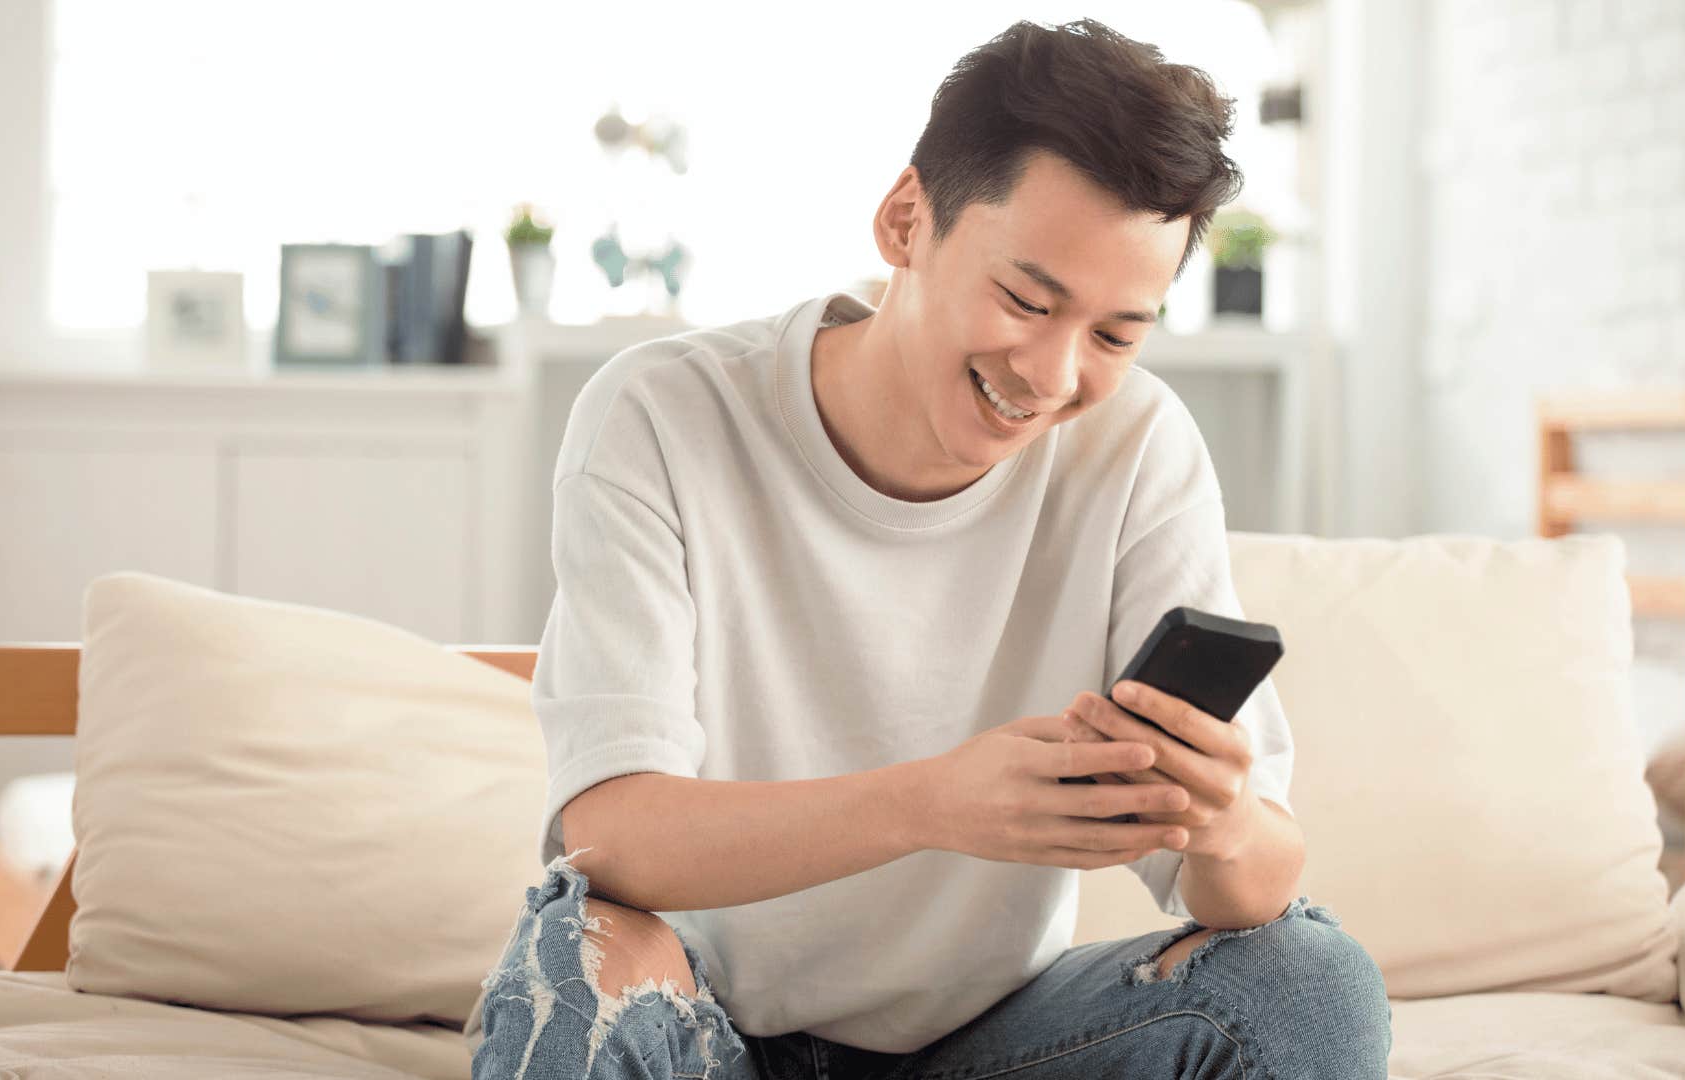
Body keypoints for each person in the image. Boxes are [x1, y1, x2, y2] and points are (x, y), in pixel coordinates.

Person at [469, 16, 1391, 1080]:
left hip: (993, 1047)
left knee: (1307, 978)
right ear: (906, 220)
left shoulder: (1139, 447)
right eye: (1025, 300)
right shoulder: (663, 414)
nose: (1051, 374)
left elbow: (1255, 886)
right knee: (569, 957)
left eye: (1114, 334)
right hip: (703, 1026)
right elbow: (608, 836)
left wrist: (1223, 823)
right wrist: (934, 802)